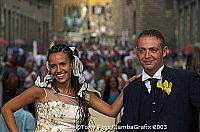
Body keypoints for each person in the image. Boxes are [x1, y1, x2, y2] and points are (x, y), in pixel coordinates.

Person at [1, 41, 139, 132]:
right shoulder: (41, 91)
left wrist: (126, 89)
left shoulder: (84, 94)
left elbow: (112, 111)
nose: (59, 70)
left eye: (63, 64)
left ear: (72, 64)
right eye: (53, 66)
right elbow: (7, 108)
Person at [117, 29, 200, 132]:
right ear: (137, 52)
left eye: (153, 50)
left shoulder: (187, 81)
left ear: (164, 51)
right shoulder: (131, 89)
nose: (147, 56)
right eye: (142, 50)